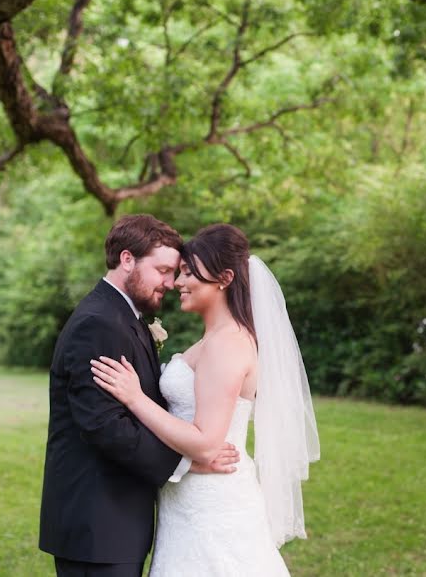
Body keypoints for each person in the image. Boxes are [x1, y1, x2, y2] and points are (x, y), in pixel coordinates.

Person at [91, 223, 320, 576]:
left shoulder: (228, 344)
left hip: (212, 503)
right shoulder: (212, 340)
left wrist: (136, 399)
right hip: (188, 500)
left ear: (224, 278)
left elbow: (206, 442)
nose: (177, 283)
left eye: (187, 273)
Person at [39, 215, 240, 577]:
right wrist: (187, 464)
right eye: (162, 270)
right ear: (127, 259)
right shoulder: (98, 323)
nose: (171, 281)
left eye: (175, 271)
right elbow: (105, 426)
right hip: (96, 525)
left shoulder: (124, 316)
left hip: (117, 522)